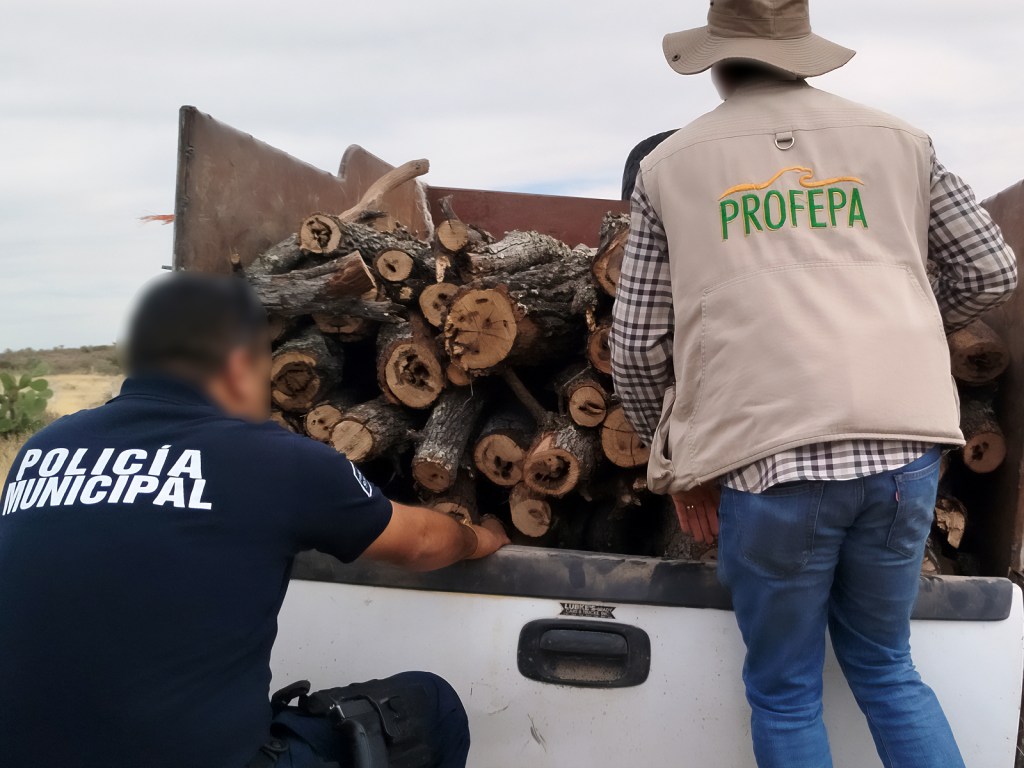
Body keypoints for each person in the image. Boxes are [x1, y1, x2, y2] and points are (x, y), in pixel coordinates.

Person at [610, 1, 1016, 767]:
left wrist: (680, 463)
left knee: (785, 691)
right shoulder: (903, 140)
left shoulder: (670, 166)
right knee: (888, 670)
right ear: (801, 54)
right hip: (905, 461)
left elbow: (635, 348)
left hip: (772, 466)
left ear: (716, 61)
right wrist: (915, 323)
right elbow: (993, 269)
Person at [0, 273, 510, 768]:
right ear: (238, 364)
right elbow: (420, 542)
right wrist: (479, 536)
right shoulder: (273, 459)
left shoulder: (44, 447)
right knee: (433, 706)